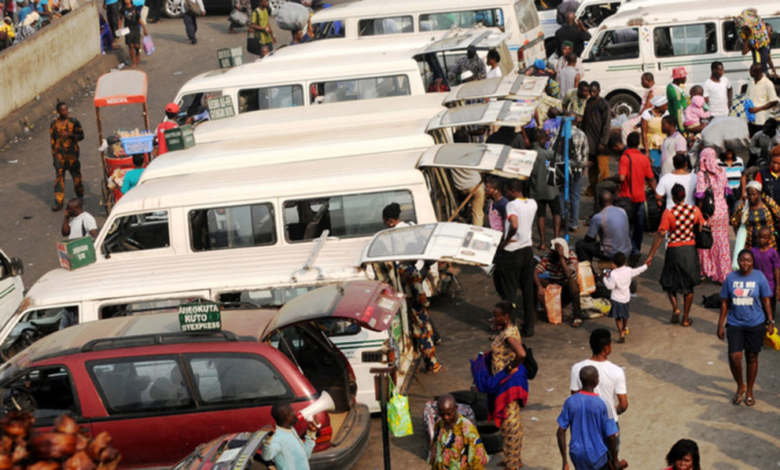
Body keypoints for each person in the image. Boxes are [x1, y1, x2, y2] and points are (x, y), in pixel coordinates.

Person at [718, 249, 774, 407]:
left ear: (753, 262)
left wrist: (770, 321)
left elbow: (766, 300)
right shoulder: (730, 278)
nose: (745, 263)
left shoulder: (759, 277)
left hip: (756, 324)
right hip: (735, 324)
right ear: (738, 260)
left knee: (752, 357)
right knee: (734, 357)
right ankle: (740, 385)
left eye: (748, 260)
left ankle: (749, 390)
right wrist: (720, 324)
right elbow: (724, 303)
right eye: (742, 260)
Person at [646, 184, 704, 326]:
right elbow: (701, 226)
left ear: (672, 197)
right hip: (690, 250)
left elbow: (661, 234)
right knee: (688, 285)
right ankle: (686, 319)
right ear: (684, 196)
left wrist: (651, 255)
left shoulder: (668, 213)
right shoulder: (695, 210)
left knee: (669, 281)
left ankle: (676, 308)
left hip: (674, 250)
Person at [493, 179, 537, 337]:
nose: (506, 194)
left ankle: (508, 326)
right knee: (527, 289)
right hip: (527, 248)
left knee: (508, 291)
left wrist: (506, 239)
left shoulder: (512, 205)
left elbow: (515, 224)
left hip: (512, 250)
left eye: (507, 191)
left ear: (512, 191)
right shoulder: (532, 203)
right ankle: (529, 326)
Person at [557, 366, 623, 470]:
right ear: (596, 381)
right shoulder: (604, 403)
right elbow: (611, 436)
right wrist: (615, 460)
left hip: (577, 455)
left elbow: (560, 432)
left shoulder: (569, 401)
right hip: (598, 455)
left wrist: (564, 461)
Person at [490, 301, 526, 470]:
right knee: (508, 421)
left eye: (497, 316)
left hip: (507, 384)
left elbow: (521, 353)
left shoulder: (509, 335)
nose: (494, 318)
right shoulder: (507, 330)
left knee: (511, 423)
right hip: (502, 382)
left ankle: (512, 465)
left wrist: (511, 367)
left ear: (506, 317)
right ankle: (512, 458)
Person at [570, 328, 628, 429]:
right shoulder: (616, 371)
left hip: (587, 423)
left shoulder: (577, 368)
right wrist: (613, 412)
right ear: (606, 348)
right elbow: (623, 405)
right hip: (608, 423)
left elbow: (575, 397)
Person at [613, 132, 657, 253]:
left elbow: (621, 177)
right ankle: (636, 249)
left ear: (627, 142)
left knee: (624, 228)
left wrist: (613, 178)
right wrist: (657, 195)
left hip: (626, 198)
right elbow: (651, 178)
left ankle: (632, 251)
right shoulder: (644, 158)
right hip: (640, 198)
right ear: (638, 144)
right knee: (638, 228)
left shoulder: (624, 158)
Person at [399, 261, 445, 374]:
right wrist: (426, 303)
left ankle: (417, 362)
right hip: (416, 307)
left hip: (405, 305)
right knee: (425, 334)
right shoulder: (412, 271)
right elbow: (419, 293)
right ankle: (432, 365)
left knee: (414, 334)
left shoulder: (399, 268)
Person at [695, 148, 732, 283]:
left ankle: (707, 271)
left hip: (709, 213)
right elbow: (726, 192)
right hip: (723, 212)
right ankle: (723, 273)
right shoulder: (722, 171)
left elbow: (701, 196)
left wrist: (698, 215)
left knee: (706, 240)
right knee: (722, 242)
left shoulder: (702, 175)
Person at [551, 110, 589, 232]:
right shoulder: (581, 134)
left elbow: (552, 149)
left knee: (561, 195)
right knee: (575, 197)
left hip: (561, 168)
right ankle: (573, 223)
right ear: (576, 120)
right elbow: (585, 153)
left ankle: (563, 219)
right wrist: (582, 167)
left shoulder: (559, 133)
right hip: (576, 169)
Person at [428, 394, 488, 470]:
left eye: (449, 414)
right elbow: (435, 452)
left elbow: (477, 459)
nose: (446, 417)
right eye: (442, 414)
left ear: (456, 408)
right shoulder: (439, 425)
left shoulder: (467, 429)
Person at [535, 238, 584, 327]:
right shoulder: (548, 257)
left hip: (567, 291)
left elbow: (568, 274)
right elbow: (535, 272)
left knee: (571, 282)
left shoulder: (571, 256)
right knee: (534, 279)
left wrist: (561, 258)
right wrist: (539, 287)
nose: (550, 252)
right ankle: (534, 312)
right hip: (554, 287)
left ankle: (577, 316)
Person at [575, 191, 631, 263]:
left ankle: (589, 271)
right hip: (626, 250)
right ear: (612, 200)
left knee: (580, 244)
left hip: (611, 253)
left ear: (599, 203)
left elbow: (589, 238)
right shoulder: (622, 211)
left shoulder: (598, 217)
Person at [260, 402, 319, 470]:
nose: (296, 415)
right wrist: (268, 439)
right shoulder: (278, 438)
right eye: (293, 413)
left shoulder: (291, 430)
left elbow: (304, 454)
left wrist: (311, 433)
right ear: (287, 417)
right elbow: (266, 457)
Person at [604, 253, 648, 342]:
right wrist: (646, 265)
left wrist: (605, 278)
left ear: (614, 263)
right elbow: (638, 270)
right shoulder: (628, 270)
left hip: (616, 298)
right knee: (625, 315)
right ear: (625, 261)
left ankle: (621, 332)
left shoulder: (612, 274)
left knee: (617, 317)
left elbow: (610, 287)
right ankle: (624, 328)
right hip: (626, 298)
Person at [50, 101, 85, 212]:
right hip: (59, 156)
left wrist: (71, 135)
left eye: (66, 109)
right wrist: (54, 157)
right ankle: (59, 203)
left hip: (72, 155)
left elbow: (81, 136)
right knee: (59, 179)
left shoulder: (74, 122)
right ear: (58, 111)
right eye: (63, 110)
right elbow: (52, 141)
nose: (65, 112)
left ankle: (80, 197)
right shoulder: (53, 124)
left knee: (76, 177)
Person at [530, 129, 560, 249]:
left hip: (536, 188)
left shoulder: (528, 152)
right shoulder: (546, 154)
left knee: (540, 215)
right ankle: (556, 239)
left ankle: (542, 242)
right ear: (541, 140)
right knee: (556, 213)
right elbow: (560, 159)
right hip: (550, 188)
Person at [731, 180, 780, 250]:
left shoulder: (767, 202)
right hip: (750, 245)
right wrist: (739, 239)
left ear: (759, 194)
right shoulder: (744, 207)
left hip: (770, 244)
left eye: (754, 194)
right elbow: (734, 222)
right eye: (749, 194)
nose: (751, 197)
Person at [583, 81, 611, 197]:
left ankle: (603, 191)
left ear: (599, 91)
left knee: (603, 169)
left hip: (600, 141)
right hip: (590, 141)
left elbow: (607, 124)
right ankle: (592, 189)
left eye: (594, 91)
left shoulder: (603, 104)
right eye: (591, 91)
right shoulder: (589, 102)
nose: (592, 93)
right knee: (592, 169)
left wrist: (603, 141)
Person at [751, 227, 780, 315]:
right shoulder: (753, 251)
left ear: (769, 239)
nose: (761, 240)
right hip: (757, 284)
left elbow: (776, 270)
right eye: (760, 237)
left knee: (770, 307)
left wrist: (778, 286)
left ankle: (770, 323)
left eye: (764, 237)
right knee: (758, 306)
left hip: (770, 284)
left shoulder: (772, 253)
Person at [746, 62, 779, 137]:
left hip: (762, 121)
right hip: (751, 120)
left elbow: (774, 101)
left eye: (752, 72)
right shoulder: (751, 82)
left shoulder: (768, 84)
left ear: (758, 72)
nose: (750, 73)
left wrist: (758, 109)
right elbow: (747, 98)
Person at [738, 8, 772, 75]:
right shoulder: (754, 41)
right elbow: (744, 52)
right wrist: (748, 36)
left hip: (764, 71)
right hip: (758, 73)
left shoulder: (766, 41)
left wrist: (773, 68)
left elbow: (768, 57)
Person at [641, 95, 667, 168]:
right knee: (653, 166)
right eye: (665, 105)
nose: (667, 107)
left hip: (663, 144)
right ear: (660, 105)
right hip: (651, 145)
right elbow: (644, 132)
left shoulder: (666, 113)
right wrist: (647, 151)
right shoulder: (647, 114)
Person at [118, 0, 146, 68]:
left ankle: (138, 53)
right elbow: (120, 19)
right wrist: (119, 28)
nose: (126, 1)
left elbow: (138, 19)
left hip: (135, 28)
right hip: (127, 29)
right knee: (130, 45)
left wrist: (144, 28)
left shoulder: (135, 8)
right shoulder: (123, 9)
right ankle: (133, 61)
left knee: (136, 45)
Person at [719, 149, 746, 216]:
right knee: (725, 215)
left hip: (737, 194)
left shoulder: (739, 161)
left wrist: (743, 193)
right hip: (723, 195)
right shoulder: (718, 162)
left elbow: (743, 176)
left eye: (731, 150)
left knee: (737, 215)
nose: (729, 152)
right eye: (727, 150)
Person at [666, 67, 688, 134]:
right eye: (684, 77)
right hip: (679, 119)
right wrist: (681, 128)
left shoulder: (672, 87)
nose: (686, 78)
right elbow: (677, 110)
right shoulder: (674, 92)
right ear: (679, 78)